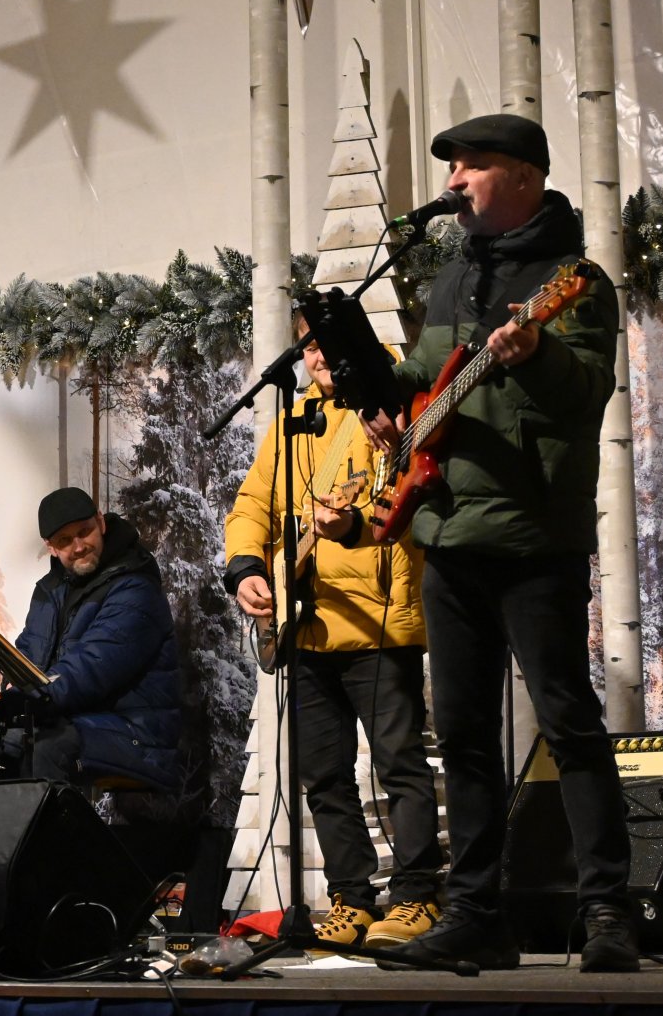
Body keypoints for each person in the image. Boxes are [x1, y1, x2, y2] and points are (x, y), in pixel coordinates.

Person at [365, 113, 637, 973]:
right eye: (454, 170)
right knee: (467, 734)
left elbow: (587, 388)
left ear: (521, 174)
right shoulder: (454, 276)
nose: (453, 184)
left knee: (567, 721)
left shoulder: (575, 281)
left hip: (531, 537)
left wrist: (530, 355)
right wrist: (387, 404)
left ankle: (608, 914)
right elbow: (424, 376)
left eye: (472, 168)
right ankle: (477, 912)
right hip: (446, 532)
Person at [224, 316, 443, 953]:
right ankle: (351, 897)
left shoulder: (390, 403)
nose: (319, 356)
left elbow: (400, 499)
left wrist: (345, 526)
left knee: (399, 766)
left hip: (378, 622)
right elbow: (252, 505)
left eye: (330, 343)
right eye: (311, 345)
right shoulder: (295, 420)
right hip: (308, 625)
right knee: (325, 775)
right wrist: (245, 569)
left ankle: (416, 895)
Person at [0, 487, 180, 791]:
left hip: (138, 733)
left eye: (84, 532)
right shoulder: (48, 591)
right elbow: (26, 658)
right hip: (73, 719)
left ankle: (55, 840)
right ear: (51, 547)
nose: (78, 546)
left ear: (101, 522)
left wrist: (27, 701)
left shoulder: (136, 586)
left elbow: (93, 666)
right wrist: (8, 698)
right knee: (0, 744)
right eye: (65, 541)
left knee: (48, 747)